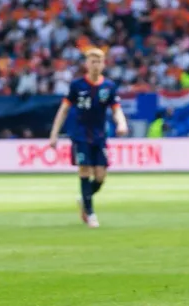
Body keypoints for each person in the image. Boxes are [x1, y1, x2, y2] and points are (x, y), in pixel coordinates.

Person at [49, 48, 128, 228]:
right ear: (86, 64)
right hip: (80, 134)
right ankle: (91, 214)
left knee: (100, 176)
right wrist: (54, 134)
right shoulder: (77, 85)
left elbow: (116, 109)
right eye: (92, 61)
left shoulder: (109, 86)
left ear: (103, 64)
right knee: (84, 171)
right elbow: (64, 110)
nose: (95, 65)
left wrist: (121, 123)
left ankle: (84, 198)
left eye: (98, 62)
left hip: (100, 135)